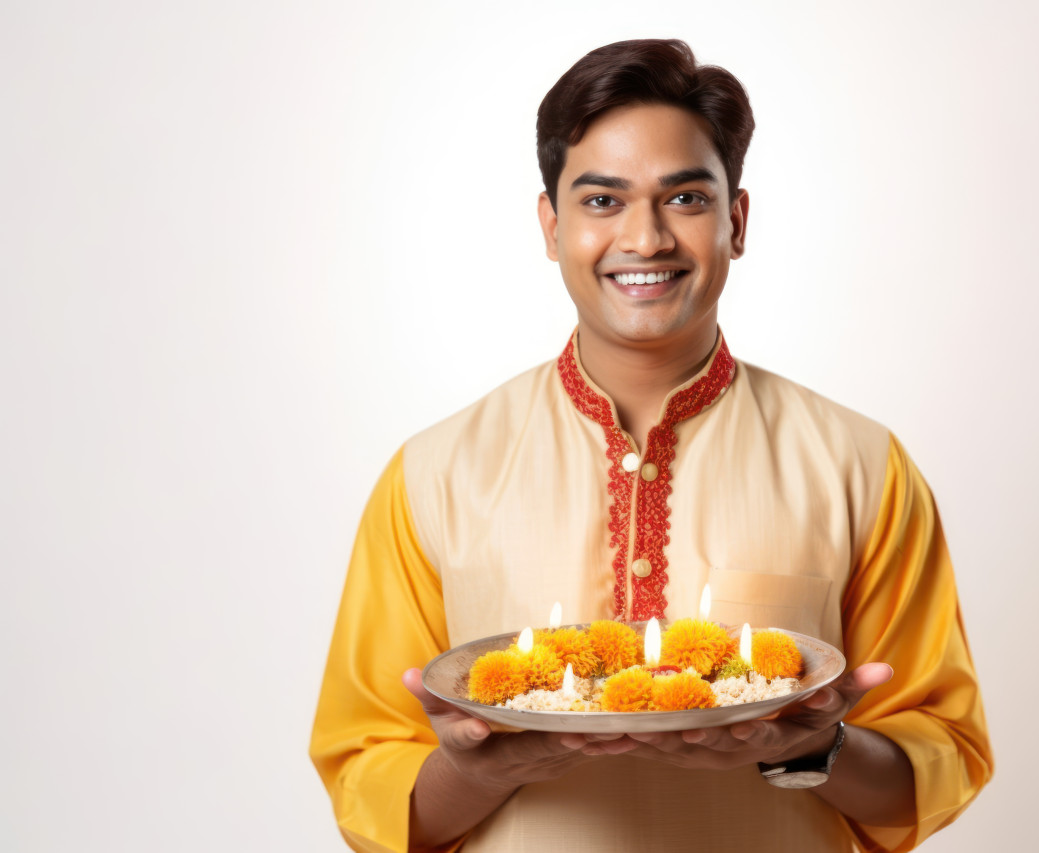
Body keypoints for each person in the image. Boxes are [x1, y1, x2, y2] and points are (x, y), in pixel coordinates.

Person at [310, 38, 992, 853]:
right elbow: (373, 797)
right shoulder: (433, 475)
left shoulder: (857, 465)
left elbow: (938, 757)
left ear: (735, 221)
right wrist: (484, 769)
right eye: (602, 201)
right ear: (550, 223)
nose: (646, 239)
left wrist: (809, 744)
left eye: (685, 199)